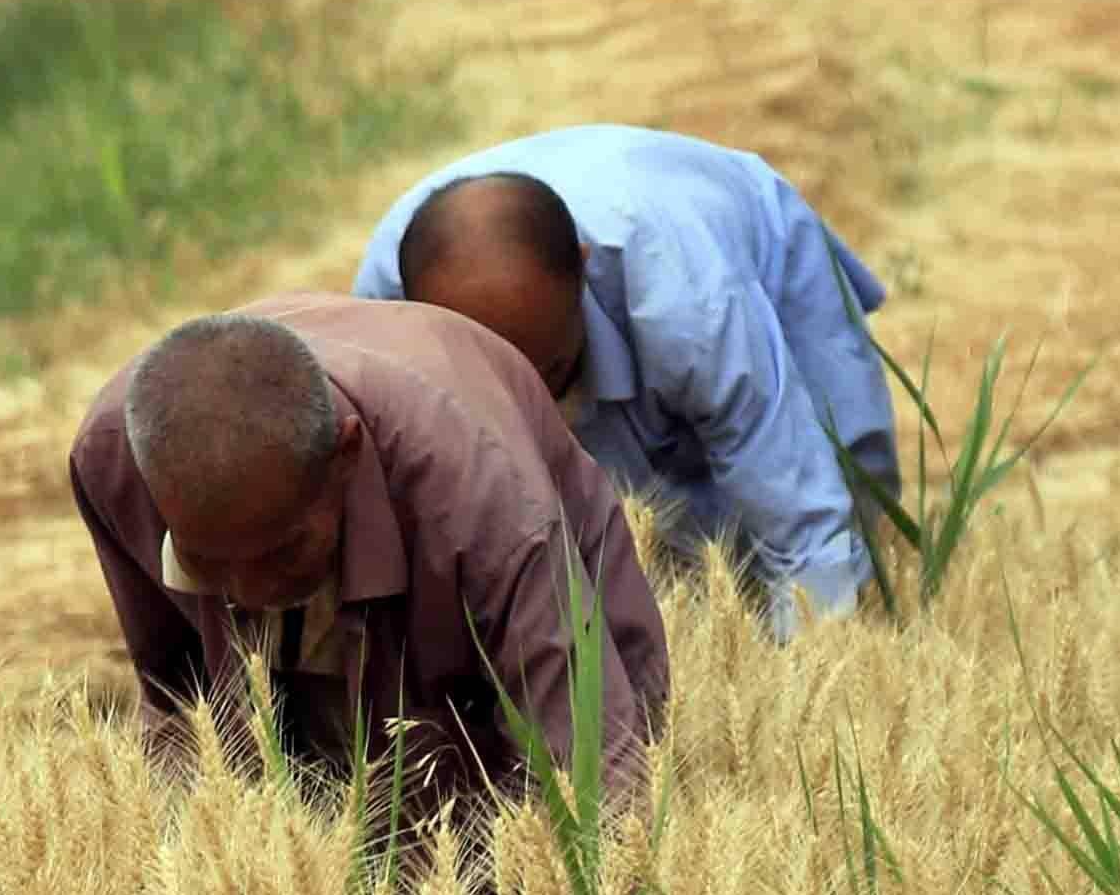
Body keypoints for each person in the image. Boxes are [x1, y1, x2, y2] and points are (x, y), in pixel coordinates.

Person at [69, 294, 672, 853]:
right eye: (206, 563)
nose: (250, 595)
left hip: (502, 593)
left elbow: (596, 787)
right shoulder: (112, 459)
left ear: (346, 456)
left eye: (279, 554)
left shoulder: (490, 501)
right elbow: (178, 692)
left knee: (506, 813)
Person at [352, 125, 899, 636]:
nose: (529, 406)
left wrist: (819, 666)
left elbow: (802, 524)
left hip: (738, 237)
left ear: (584, 270)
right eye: (495, 378)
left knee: (845, 482)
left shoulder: (692, 303)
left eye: (545, 373)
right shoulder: (389, 311)